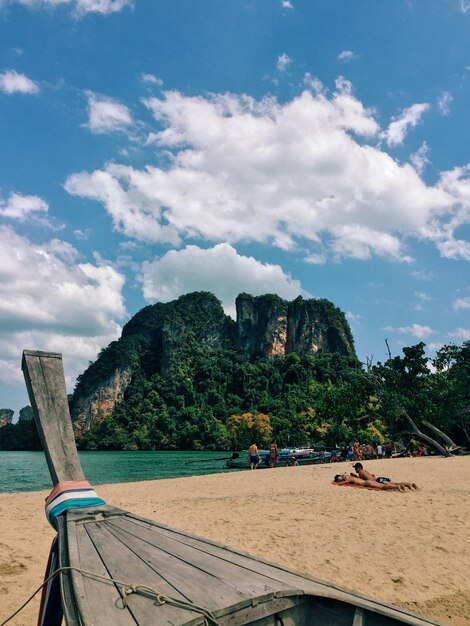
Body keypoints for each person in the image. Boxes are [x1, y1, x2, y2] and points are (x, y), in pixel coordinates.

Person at [352, 463, 419, 490]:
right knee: (396, 482)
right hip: (379, 478)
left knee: (391, 485)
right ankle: (409, 485)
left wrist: (355, 476)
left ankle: (399, 487)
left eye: (355, 468)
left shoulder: (360, 472)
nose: (355, 470)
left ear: (358, 468)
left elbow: (362, 481)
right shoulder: (365, 470)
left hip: (377, 481)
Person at [334, 473, 405, 491]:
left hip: (367, 483)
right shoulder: (352, 477)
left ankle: (397, 486)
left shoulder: (349, 479)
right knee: (382, 485)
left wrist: (339, 482)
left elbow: (343, 483)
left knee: (382, 487)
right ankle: (398, 486)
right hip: (368, 481)